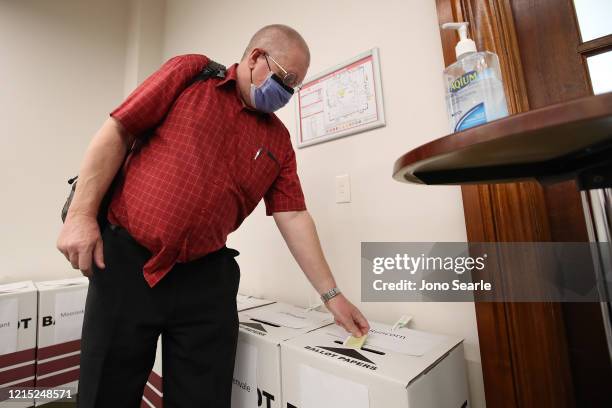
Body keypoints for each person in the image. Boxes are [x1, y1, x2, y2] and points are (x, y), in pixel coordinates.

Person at [56, 24, 370, 407]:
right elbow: (119, 129)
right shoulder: (191, 74)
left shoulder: (278, 142)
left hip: (204, 280)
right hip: (127, 263)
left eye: (294, 87)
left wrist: (333, 297)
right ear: (255, 57)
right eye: (285, 80)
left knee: (204, 398)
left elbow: (295, 216)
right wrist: (81, 215)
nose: (286, 94)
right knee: (106, 392)